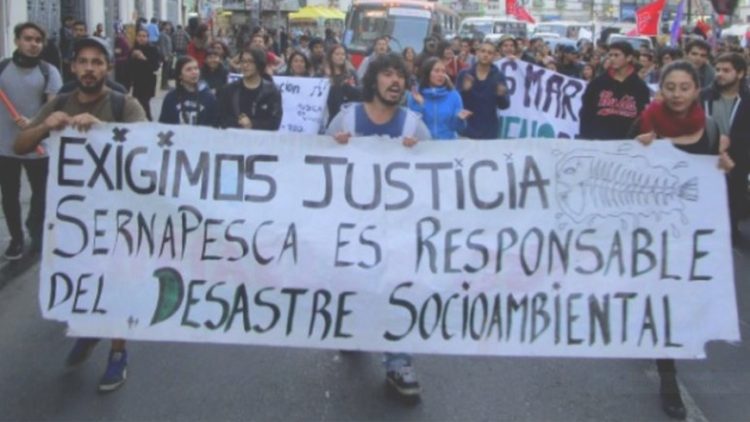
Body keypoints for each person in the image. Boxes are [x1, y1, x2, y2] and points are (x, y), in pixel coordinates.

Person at [14, 36, 147, 392]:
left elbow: (149, 144)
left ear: (107, 68)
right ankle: (89, 330)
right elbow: (21, 144)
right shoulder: (60, 102)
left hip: (118, 215)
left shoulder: (123, 103)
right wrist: (46, 125)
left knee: (116, 282)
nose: (89, 69)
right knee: (83, 279)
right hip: (75, 217)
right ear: (73, 67)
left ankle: (117, 353)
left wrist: (106, 130)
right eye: (83, 62)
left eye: (97, 62)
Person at [629, 61, 734, 419]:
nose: (677, 94)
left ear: (696, 90)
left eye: (684, 87)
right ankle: (668, 378)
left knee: (680, 301)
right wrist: (635, 149)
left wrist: (724, 166)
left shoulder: (710, 128)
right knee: (663, 301)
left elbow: (714, 182)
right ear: (661, 89)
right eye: (670, 87)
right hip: (651, 231)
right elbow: (617, 171)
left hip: (691, 233)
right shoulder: (644, 124)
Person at [325, 53, 430, 399]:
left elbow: (438, 179)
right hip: (353, 228)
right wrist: (334, 148)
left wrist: (420, 156)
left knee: (398, 290)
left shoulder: (414, 127)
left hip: (397, 230)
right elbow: (315, 166)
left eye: (400, 75)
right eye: (387, 74)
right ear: (373, 81)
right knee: (356, 284)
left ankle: (398, 361)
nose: (395, 81)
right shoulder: (346, 119)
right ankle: (353, 329)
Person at [0, 23, 63, 259]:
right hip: (5, 146)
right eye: (28, 39)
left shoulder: (48, 72)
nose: (33, 44)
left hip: (38, 146)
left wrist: (34, 122)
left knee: (42, 194)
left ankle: (36, 230)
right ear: (17, 41)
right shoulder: (3, 68)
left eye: (38, 40)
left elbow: (53, 106)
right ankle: (16, 239)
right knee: (9, 195)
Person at [701, 52, 750, 246]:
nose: (720, 74)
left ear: (740, 73)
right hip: (705, 158)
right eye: (718, 69)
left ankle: (731, 233)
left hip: (737, 160)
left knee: (733, 199)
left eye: (726, 70)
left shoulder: (747, 100)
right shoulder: (704, 96)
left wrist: (731, 141)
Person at [579, 41, 651, 140]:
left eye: (616, 55)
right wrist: (586, 138)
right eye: (610, 55)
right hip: (599, 141)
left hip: (628, 143)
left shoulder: (640, 87)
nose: (612, 58)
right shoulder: (597, 83)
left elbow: (643, 117)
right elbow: (586, 113)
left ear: (629, 58)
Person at [217, 48, 282, 130]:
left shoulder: (272, 91)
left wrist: (252, 124)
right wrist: (239, 124)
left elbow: (274, 123)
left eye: (250, 61)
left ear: (259, 64)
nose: (245, 65)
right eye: (243, 61)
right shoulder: (229, 90)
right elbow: (222, 118)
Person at [456, 41, 510, 139]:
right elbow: (456, 103)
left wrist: (501, 96)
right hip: (467, 130)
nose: (485, 55)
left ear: (494, 56)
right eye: (483, 51)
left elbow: (505, 105)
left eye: (489, 53)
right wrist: (465, 91)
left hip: (490, 131)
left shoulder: (498, 76)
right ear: (477, 53)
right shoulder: (464, 74)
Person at [407, 57, 471, 140]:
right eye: (436, 71)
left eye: (443, 71)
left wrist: (459, 119)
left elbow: (459, 128)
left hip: (447, 144)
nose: (441, 75)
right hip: (423, 144)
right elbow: (412, 126)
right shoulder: (416, 94)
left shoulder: (454, 95)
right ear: (427, 73)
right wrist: (420, 105)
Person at [159, 56, 219, 126]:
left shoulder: (209, 97)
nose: (194, 72)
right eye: (188, 70)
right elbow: (163, 125)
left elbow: (214, 124)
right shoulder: (171, 97)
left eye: (196, 68)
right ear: (180, 75)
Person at [129, 28, 161, 120]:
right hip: (137, 81)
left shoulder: (152, 49)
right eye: (139, 36)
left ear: (148, 38)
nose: (141, 38)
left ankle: (148, 120)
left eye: (144, 36)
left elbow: (155, 66)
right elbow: (129, 65)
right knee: (137, 103)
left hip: (148, 81)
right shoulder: (134, 49)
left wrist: (143, 58)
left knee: (144, 102)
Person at [325, 44, 361, 125]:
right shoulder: (323, 74)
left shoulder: (351, 73)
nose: (341, 57)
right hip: (330, 115)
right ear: (330, 56)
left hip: (347, 114)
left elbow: (358, 92)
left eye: (343, 54)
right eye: (337, 54)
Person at [113, 25, 132, 91]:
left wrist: (116, 60)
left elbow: (127, 56)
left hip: (123, 68)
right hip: (115, 68)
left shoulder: (123, 42)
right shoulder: (113, 42)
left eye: (116, 33)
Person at [158, 21, 174, 90]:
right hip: (166, 55)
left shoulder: (167, 34)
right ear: (164, 26)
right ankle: (164, 85)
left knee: (167, 71)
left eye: (170, 25)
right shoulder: (162, 35)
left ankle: (166, 84)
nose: (170, 27)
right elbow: (162, 46)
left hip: (169, 54)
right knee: (165, 71)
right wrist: (165, 56)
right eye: (168, 25)